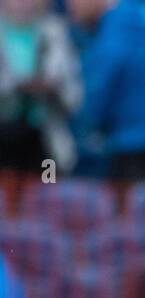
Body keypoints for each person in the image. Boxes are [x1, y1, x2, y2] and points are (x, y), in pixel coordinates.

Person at [67, 0, 145, 179]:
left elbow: (97, 96)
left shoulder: (113, 33)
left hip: (133, 149)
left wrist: (80, 127)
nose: (70, 7)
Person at [0, 0, 82, 173]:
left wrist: (53, 87)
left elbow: (74, 94)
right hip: (5, 132)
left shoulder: (55, 32)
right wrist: (16, 86)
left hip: (46, 137)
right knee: (7, 192)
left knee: (48, 189)